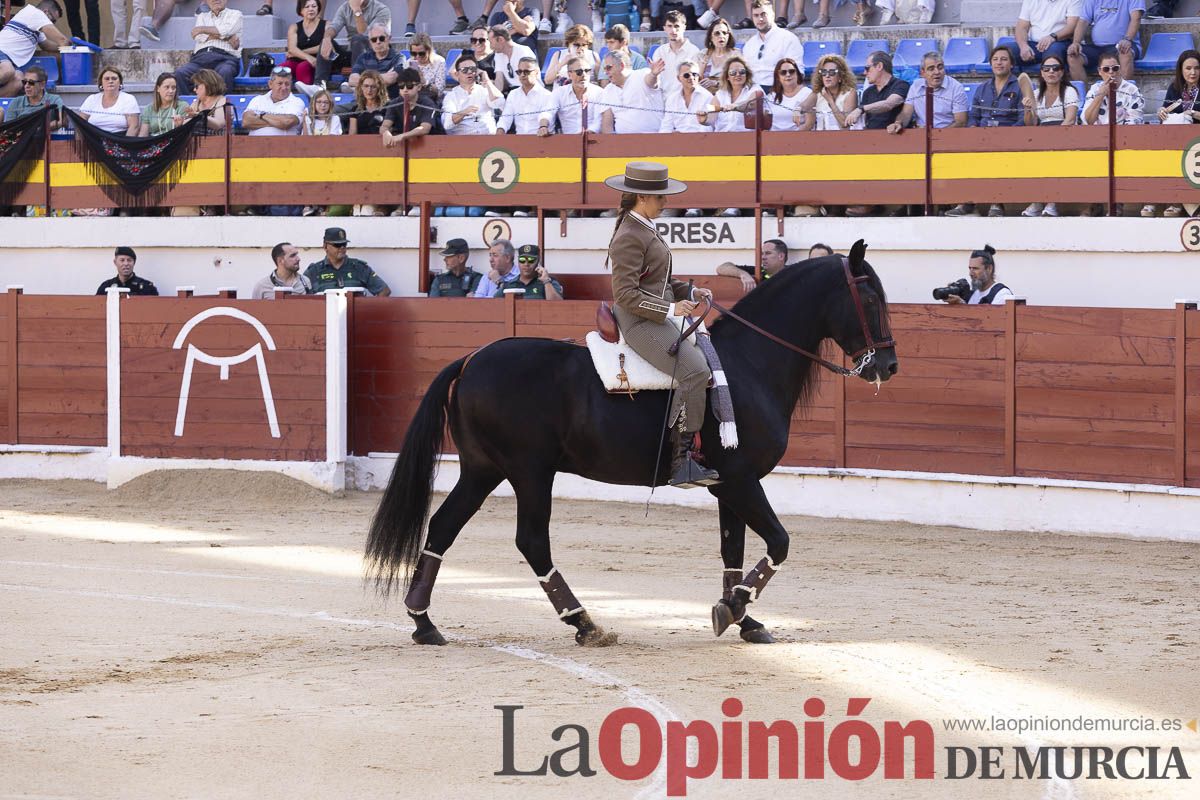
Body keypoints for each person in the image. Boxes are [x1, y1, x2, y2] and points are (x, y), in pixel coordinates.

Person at [605, 162, 719, 488]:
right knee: (695, 371)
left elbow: (658, 280)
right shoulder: (630, 235)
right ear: (642, 197)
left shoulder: (643, 228)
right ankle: (681, 461)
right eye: (660, 198)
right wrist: (670, 308)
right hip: (640, 321)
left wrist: (690, 291)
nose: (665, 203)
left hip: (655, 314)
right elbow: (625, 294)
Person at [1017, 54, 1077, 217]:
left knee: (1053, 158)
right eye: (1046, 68)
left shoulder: (1069, 91)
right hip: (1041, 138)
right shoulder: (1036, 94)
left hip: (1065, 137)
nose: (1051, 71)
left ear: (1062, 72)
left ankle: (1052, 202)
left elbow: (1070, 120)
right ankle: (1037, 201)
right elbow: (1030, 123)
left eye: (1056, 68)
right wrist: (1027, 109)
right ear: (1042, 73)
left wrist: (1053, 140)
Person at [0, 1, 68, 99]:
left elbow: (47, 46)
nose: (52, 24)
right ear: (46, 12)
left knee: (19, 80)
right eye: (52, 20)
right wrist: (71, 44)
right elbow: (62, 40)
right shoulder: (35, 13)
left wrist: (68, 45)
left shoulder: (37, 29)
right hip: (2, 50)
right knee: (7, 70)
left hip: (11, 60)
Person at [316, 0, 391, 88]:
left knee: (358, 38)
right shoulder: (345, 8)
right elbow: (334, 27)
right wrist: (327, 39)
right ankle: (319, 84)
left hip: (375, 55)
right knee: (326, 41)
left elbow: (366, 35)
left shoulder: (382, 10)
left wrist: (357, 10)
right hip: (354, 54)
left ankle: (355, 82)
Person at [173, 0, 243, 93]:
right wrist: (227, 38)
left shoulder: (236, 14)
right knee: (180, 73)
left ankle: (220, 106)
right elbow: (198, 36)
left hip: (225, 58)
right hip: (200, 59)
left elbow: (227, 30)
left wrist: (202, 29)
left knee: (225, 71)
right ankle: (189, 106)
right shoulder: (202, 16)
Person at [887, 52, 968, 132]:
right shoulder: (916, 86)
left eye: (940, 67)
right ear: (922, 73)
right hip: (921, 135)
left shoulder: (956, 87)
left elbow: (960, 122)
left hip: (948, 136)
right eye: (931, 69)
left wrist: (936, 135)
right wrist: (898, 123)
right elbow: (906, 113)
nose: (937, 72)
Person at [1068, 0, 1143, 82]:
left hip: (1121, 45)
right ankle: (1085, 94)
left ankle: (1124, 92)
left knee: (1125, 51)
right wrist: (1075, 43)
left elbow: (1136, 18)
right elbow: (1083, 21)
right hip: (1097, 47)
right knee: (1073, 56)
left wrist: (1127, 39)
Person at [304, 227, 392, 295]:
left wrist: (369, 311)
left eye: (344, 244)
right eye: (337, 245)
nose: (342, 248)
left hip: (354, 317)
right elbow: (301, 298)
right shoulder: (313, 271)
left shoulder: (359, 267)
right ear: (325, 246)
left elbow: (384, 290)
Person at [599, 50, 665, 134]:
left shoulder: (641, 74)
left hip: (653, 138)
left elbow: (651, 82)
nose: (606, 72)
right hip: (623, 143)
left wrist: (653, 74)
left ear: (622, 66)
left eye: (608, 67)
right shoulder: (608, 90)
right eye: (604, 69)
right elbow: (607, 123)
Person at [742, 0, 802, 89]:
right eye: (756, 15)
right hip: (753, 91)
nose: (760, 19)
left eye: (764, 14)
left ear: (772, 15)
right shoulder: (749, 44)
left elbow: (797, 72)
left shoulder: (788, 38)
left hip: (779, 90)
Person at [442, 53, 504, 135]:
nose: (469, 72)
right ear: (457, 74)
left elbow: (499, 103)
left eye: (473, 69)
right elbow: (447, 124)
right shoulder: (451, 96)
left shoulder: (485, 90)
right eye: (465, 70)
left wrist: (486, 79)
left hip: (488, 138)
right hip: (464, 141)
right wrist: (464, 112)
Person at [1082, 49, 1144, 125]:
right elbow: (1088, 121)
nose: (1111, 72)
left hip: (1124, 134)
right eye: (1106, 69)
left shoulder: (1132, 90)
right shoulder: (1095, 89)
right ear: (1100, 71)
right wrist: (1100, 96)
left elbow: (1134, 121)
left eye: (1115, 68)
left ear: (1120, 69)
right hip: (1097, 133)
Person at [544, 55, 604, 133]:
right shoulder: (559, 93)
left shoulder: (599, 92)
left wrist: (589, 131)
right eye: (579, 72)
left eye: (587, 71)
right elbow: (548, 112)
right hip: (569, 141)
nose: (584, 75)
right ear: (569, 74)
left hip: (593, 139)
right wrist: (543, 126)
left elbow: (599, 120)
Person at [1015, 0, 1079, 72]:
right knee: (1005, 52)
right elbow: (1021, 27)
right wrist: (1023, 46)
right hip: (1034, 45)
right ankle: (1010, 83)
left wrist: (1052, 37)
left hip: (1059, 42)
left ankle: (1050, 82)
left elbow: (1071, 27)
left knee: (1052, 56)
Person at [939, 245, 1014, 306]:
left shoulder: (1002, 294)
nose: (971, 273)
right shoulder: (973, 294)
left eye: (975, 268)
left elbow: (991, 321)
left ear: (989, 269)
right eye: (970, 268)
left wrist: (962, 305)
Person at [800, 53, 857, 131]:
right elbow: (803, 107)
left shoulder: (850, 93)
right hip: (821, 139)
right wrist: (796, 111)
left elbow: (845, 124)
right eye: (823, 72)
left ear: (840, 76)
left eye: (832, 72)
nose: (827, 75)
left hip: (843, 140)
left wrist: (830, 101)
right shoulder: (817, 93)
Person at [243, 67, 306, 136]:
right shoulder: (257, 100)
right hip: (254, 145)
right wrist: (278, 123)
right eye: (280, 83)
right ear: (270, 84)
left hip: (285, 146)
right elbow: (246, 122)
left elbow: (287, 122)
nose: (284, 87)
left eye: (287, 84)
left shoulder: (297, 102)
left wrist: (261, 115)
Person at [381, 68, 437, 145]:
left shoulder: (427, 103)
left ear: (419, 87)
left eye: (409, 86)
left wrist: (402, 136)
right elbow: (385, 125)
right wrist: (386, 133)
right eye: (401, 86)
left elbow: (425, 128)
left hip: (429, 145)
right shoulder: (394, 103)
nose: (405, 89)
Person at [499, 56, 554, 134]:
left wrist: (543, 127)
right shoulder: (513, 94)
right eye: (519, 72)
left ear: (536, 72)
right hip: (520, 141)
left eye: (526, 72)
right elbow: (506, 118)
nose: (522, 75)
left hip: (542, 139)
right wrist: (500, 130)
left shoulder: (547, 95)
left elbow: (545, 115)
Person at [78, 66, 141, 135]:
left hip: (120, 140)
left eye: (114, 79)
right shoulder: (92, 99)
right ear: (101, 83)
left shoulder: (128, 99)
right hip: (94, 140)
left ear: (120, 82)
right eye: (106, 79)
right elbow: (80, 124)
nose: (110, 81)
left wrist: (126, 145)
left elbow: (134, 127)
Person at [348, 24, 403, 97]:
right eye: (374, 40)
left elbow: (391, 79)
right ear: (370, 42)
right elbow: (352, 80)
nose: (378, 42)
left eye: (381, 38)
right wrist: (382, 78)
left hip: (387, 102)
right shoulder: (363, 57)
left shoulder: (399, 58)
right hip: (364, 102)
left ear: (389, 39)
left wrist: (364, 80)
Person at [660, 60, 714, 134]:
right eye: (686, 75)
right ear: (678, 78)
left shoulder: (708, 97)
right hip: (677, 140)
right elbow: (666, 125)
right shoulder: (672, 99)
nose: (691, 77)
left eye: (694, 74)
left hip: (701, 139)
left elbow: (709, 125)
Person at [3, 65, 64, 129]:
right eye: (24, 82)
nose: (26, 86)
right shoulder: (16, 102)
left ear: (42, 85)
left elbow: (60, 121)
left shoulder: (54, 100)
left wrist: (36, 129)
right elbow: (9, 128)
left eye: (31, 82)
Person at [715, 238, 789, 290]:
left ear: (781, 256)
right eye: (762, 254)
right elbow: (721, 268)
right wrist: (743, 274)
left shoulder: (793, 273)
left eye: (768, 253)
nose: (763, 257)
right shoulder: (758, 271)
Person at [655, 11, 700, 95]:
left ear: (684, 27)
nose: (673, 30)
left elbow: (696, 82)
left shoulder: (694, 51)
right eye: (669, 26)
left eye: (677, 26)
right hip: (663, 100)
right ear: (664, 28)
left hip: (686, 99)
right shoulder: (659, 52)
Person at [495, 244, 564, 299]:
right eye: (522, 260)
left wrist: (546, 281)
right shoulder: (509, 284)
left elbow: (557, 305)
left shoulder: (549, 283)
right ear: (518, 262)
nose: (526, 264)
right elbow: (494, 304)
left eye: (531, 260)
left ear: (538, 261)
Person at [283, 0, 325, 87]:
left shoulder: (326, 25)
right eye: (307, 7)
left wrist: (298, 53)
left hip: (316, 61)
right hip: (298, 60)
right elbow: (292, 49)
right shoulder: (294, 27)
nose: (311, 9)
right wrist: (308, 57)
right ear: (301, 11)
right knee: (282, 69)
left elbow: (323, 46)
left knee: (302, 67)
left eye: (314, 6)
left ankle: (306, 97)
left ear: (318, 8)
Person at [766, 57, 810, 132]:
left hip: (799, 138)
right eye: (783, 72)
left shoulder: (807, 93)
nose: (788, 75)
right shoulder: (771, 96)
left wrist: (791, 139)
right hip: (774, 138)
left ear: (797, 73)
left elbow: (809, 124)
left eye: (792, 71)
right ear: (778, 77)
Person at [489, 24, 537, 93]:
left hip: (530, 92)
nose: (490, 47)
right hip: (513, 93)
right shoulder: (498, 54)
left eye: (491, 42)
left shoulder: (524, 51)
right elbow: (499, 82)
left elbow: (529, 81)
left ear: (501, 39)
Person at [697, 17, 736, 93]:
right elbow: (696, 78)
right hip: (706, 96)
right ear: (711, 37)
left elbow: (738, 80)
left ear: (729, 36)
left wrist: (716, 83)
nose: (721, 36)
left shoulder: (735, 55)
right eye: (717, 33)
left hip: (727, 94)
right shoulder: (703, 54)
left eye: (724, 33)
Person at [185, 69, 229, 136]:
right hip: (198, 143)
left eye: (196, 86)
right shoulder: (197, 103)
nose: (194, 89)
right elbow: (186, 123)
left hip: (219, 143)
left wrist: (199, 116)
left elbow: (219, 124)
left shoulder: (222, 101)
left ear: (207, 85)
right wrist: (180, 123)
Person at [407, 33, 446, 100]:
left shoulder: (439, 62)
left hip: (431, 98)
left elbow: (439, 91)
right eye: (413, 53)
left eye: (421, 53)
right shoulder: (409, 62)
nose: (417, 57)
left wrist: (425, 82)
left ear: (429, 50)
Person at [348, 69, 387, 134]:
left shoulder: (388, 107)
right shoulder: (355, 110)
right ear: (361, 88)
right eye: (366, 86)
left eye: (373, 87)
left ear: (379, 88)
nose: (369, 90)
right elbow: (352, 136)